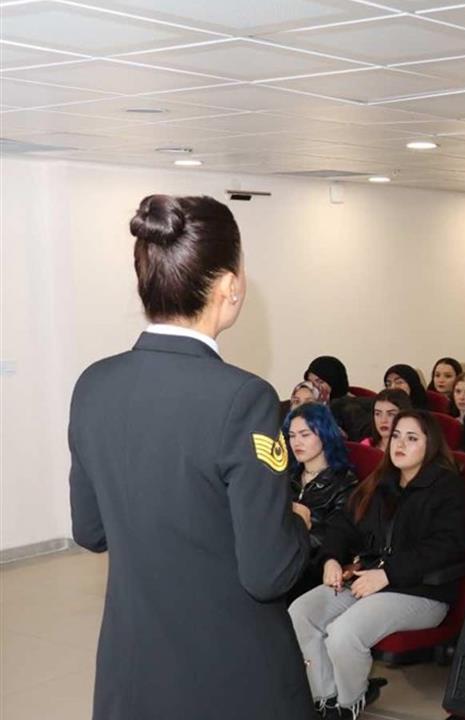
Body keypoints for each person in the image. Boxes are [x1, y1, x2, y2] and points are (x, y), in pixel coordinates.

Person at [69, 194, 313, 719]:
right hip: (230, 675)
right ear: (229, 285)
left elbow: (90, 531)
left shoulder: (93, 384)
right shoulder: (244, 398)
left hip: (133, 671)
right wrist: (296, 522)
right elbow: (268, 572)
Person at [291, 410, 465, 718]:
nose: (399, 444)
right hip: (368, 579)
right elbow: (342, 525)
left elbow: (445, 548)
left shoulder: (450, 489)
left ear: (430, 444)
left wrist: (387, 573)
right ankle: (326, 697)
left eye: (411, 438)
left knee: (343, 632)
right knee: (301, 612)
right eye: (396, 436)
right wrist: (331, 558)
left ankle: (348, 703)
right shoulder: (381, 481)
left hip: (421, 591)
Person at [283, 402, 359, 602]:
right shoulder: (287, 477)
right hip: (279, 557)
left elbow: (334, 536)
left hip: (312, 567)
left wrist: (295, 530)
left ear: (325, 435)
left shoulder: (345, 483)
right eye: (292, 436)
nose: (296, 442)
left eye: (305, 435)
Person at [307, 356, 373, 442]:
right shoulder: (307, 403)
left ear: (334, 381)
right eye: (310, 382)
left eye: (320, 382)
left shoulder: (352, 408)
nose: (313, 387)